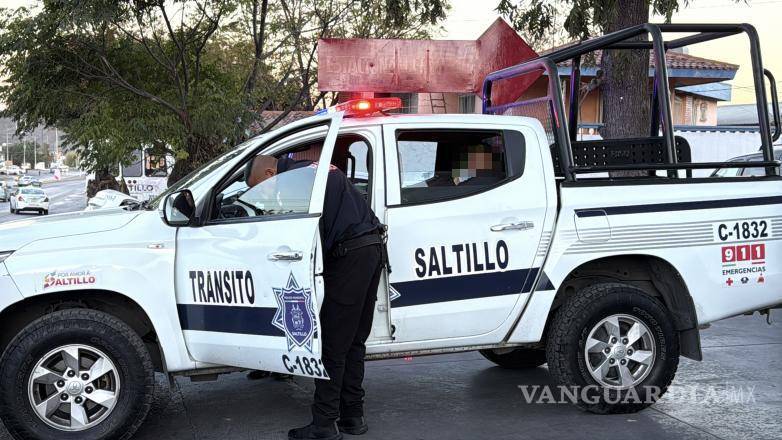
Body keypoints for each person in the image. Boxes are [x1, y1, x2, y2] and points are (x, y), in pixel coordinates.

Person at [246, 154, 387, 440]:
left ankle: (323, 424)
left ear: (271, 172)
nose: (261, 195)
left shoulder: (293, 180)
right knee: (353, 341)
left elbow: (301, 235)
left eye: (260, 187)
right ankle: (352, 417)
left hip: (349, 257)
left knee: (333, 345)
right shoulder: (312, 167)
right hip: (371, 250)